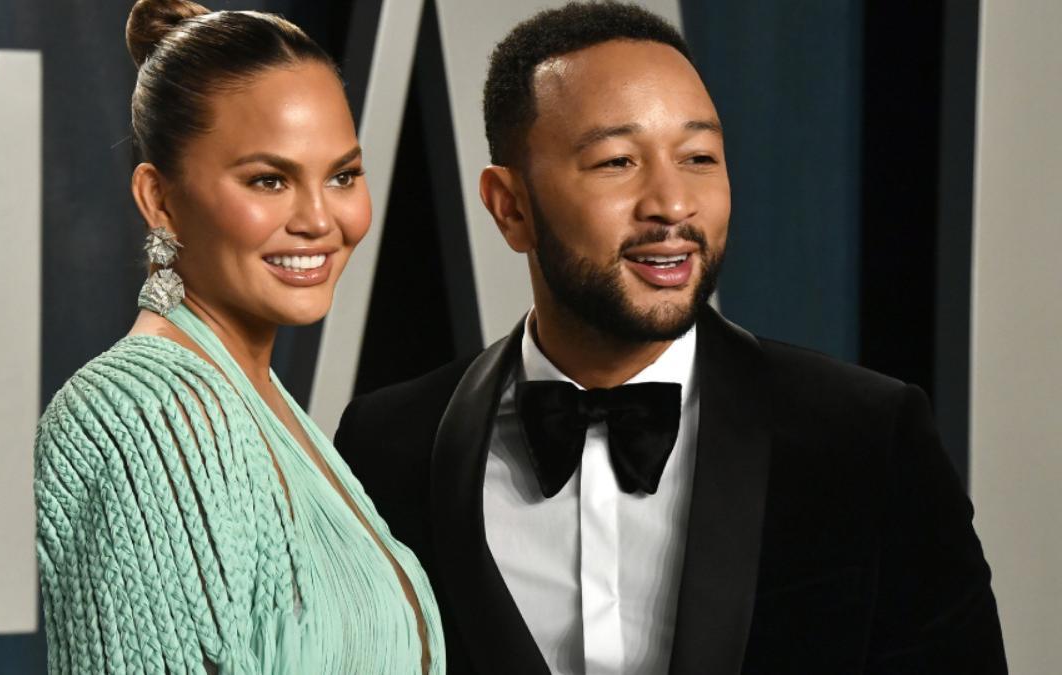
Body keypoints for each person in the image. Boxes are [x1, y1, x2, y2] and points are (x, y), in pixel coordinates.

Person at [333, 3, 1005, 674]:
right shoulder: (390, 445)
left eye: (699, 157)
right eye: (617, 160)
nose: (673, 203)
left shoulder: (868, 436)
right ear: (510, 207)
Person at [33, 1, 442, 672]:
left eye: (342, 175)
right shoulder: (148, 415)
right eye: (269, 180)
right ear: (158, 200)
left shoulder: (258, 399)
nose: (319, 218)